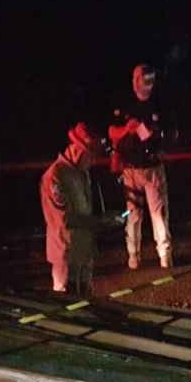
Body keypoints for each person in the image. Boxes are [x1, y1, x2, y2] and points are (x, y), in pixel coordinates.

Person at [40, 123, 122, 295]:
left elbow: (85, 210)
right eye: (90, 156)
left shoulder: (81, 172)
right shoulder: (54, 176)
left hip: (84, 250)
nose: (92, 162)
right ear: (77, 150)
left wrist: (103, 219)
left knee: (86, 299)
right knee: (66, 302)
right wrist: (100, 221)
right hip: (66, 252)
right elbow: (63, 219)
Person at [109, 63, 173, 269]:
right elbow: (112, 132)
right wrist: (127, 130)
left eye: (142, 78)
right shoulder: (125, 104)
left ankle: (165, 255)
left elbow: (170, 133)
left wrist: (157, 136)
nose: (137, 82)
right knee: (133, 215)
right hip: (130, 169)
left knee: (159, 213)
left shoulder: (160, 104)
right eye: (136, 77)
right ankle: (133, 255)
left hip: (153, 167)